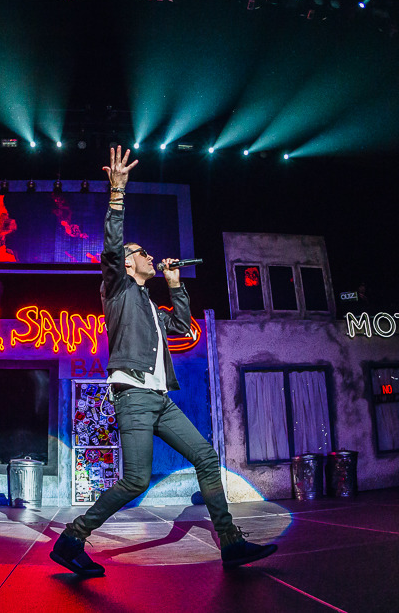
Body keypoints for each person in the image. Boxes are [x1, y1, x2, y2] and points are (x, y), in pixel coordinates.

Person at [50, 146, 277, 576]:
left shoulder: (151, 308)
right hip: (133, 396)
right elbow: (113, 246)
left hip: (160, 399)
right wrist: (117, 192)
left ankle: (229, 542)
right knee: (136, 479)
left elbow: (183, 328)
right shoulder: (116, 289)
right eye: (144, 254)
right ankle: (72, 538)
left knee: (207, 459)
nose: (151, 257)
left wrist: (175, 284)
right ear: (127, 264)